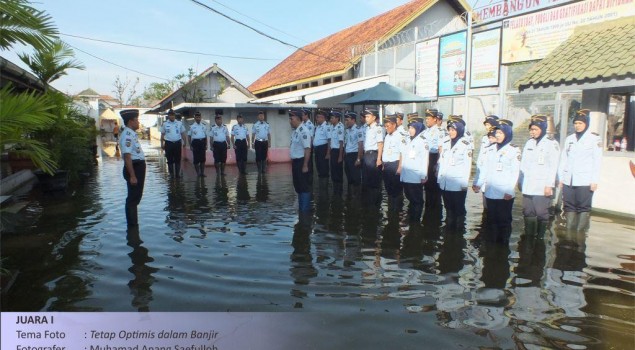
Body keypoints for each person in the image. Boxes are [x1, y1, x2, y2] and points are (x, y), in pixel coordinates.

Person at [473, 119, 520, 244]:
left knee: (503, 221)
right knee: (491, 220)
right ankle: (491, 244)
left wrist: (510, 190)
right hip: (490, 191)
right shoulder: (490, 149)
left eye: (501, 133)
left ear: (507, 133)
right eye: (497, 132)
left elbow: (515, 172)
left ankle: (502, 246)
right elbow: (484, 169)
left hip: (504, 193)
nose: (498, 135)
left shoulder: (513, 150)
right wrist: (478, 184)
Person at [558, 109, 603, 231]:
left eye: (580, 123)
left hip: (585, 180)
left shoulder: (594, 139)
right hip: (569, 180)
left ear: (586, 124)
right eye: (576, 123)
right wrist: (561, 178)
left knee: (583, 208)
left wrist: (594, 181)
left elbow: (597, 161)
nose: (577, 126)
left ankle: (579, 235)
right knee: (569, 207)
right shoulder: (570, 139)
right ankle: (569, 233)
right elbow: (564, 159)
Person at [520, 114, 560, 237]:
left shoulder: (551, 144)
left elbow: (553, 166)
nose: (533, 132)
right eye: (531, 129)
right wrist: (521, 180)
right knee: (528, 212)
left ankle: (540, 238)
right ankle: (529, 236)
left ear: (542, 129)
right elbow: (524, 164)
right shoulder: (529, 143)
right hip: (528, 185)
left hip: (542, 186)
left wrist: (549, 185)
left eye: (536, 129)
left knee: (541, 213)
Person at [438, 116, 472, 229]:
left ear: (459, 130)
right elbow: (442, 162)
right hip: (445, 183)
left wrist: (464, 184)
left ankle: (459, 232)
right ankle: (449, 230)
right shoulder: (446, 142)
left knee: (458, 209)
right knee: (448, 208)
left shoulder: (465, 145)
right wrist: (439, 179)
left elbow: (467, 166)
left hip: (458, 185)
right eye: (449, 130)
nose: (450, 132)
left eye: (453, 130)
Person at [398, 113, 429, 222]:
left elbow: (425, 159)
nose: (410, 130)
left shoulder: (422, 141)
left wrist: (423, 175)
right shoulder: (408, 139)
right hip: (406, 174)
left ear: (418, 128)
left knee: (417, 200)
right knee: (409, 197)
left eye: (412, 128)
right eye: (409, 127)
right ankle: (411, 218)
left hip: (415, 176)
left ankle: (416, 221)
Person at [119, 109, 145, 227]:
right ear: (130, 121)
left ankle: (134, 224)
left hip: (137, 167)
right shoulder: (127, 135)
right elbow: (127, 156)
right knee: (133, 199)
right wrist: (133, 175)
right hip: (134, 167)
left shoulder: (131, 134)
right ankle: (132, 226)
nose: (138, 122)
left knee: (136, 197)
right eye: (137, 120)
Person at [288, 110, 312, 212]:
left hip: (302, 162)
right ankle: (301, 210)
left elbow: (307, 149)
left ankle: (305, 211)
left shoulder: (304, 131)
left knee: (304, 187)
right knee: (298, 186)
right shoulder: (296, 131)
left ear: (298, 119)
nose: (290, 121)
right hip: (296, 162)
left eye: (291, 119)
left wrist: (305, 165)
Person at [382, 114, 406, 212]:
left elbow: (402, 153)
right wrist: (383, 164)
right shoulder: (387, 136)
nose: (386, 128)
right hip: (387, 165)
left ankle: (397, 210)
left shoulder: (400, 136)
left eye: (388, 126)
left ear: (394, 125)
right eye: (385, 126)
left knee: (396, 190)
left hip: (395, 164)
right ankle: (391, 209)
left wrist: (400, 167)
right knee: (389, 189)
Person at [422, 109, 443, 214]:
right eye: (426, 119)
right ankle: (429, 207)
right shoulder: (426, 132)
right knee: (427, 184)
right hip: (426, 158)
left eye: (428, 119)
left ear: (435, 119)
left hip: (434, 158)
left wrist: (438, 164)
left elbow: (441, 149)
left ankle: (435, 210)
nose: (426, 121)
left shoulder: (439, 132)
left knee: (434, 186)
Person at [362, 109, 384, 190]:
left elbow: (380, 144)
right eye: (365, 117)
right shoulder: (367, 128)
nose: (366, 118)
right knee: (366, 179)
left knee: (374, 180)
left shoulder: (377, 128)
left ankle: (375, 201)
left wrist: (379, 159)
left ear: (374, 117)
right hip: (367, 154)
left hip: (373, 155)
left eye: (368, 116)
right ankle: (369, 201)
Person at [160, 109, 187, 178]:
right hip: (168, 143)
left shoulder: (179, 123)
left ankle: (177, 175)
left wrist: (185, 142)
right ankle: (171, 175)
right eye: (170, 115)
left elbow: (183, 133)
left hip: (177, 143)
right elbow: (162, 134)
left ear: (174, 115)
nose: (172, 116)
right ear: (168, 116)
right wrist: (161, 144)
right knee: (169, 160)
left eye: (173, 115)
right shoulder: (165, 124)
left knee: (177, 159)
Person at [343, 111, 363, 192]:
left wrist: (358, 159)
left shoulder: (358, 130)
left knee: (356, 178)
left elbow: (360, 145)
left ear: (353, 120)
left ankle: (357, 198)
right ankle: (351, 197)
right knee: (349, 177)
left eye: (347, 120)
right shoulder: (347, 130)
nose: (346, 122)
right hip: (347, 156)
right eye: (345, 120)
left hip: (354, 155)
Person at [328, 110, 345, 193]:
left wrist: (340, 156)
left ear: (337, 118)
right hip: (333, 151)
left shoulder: (340, 128)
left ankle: (339, 190)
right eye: (330, 118)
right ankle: (335, 189)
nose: (331, 119)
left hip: (338, 151)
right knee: (333, 170)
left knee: (338, 171)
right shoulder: (332, 127)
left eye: (332, 118)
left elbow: (341, 142)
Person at [188, 111, 208, 177]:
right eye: (197, 117)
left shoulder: (204, 126)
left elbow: (206, 136)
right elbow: (189, 136)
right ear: (194, 118)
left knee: (203, 159)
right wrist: (190, 145)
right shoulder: (191, 126)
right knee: (196, 159)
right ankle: (198, 173)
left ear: (201, 117)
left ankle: (202, 173)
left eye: (199, 117)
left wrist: (206, 144)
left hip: (202, 142)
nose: (198, 118)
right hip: (195, 143)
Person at [313, 110, 330, 181]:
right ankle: (321, 187)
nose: (316, 119)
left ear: (323, 118)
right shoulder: (318, 127)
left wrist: (328, 153)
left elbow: (329, 141)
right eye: (316, 117)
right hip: (317, 150)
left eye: (318, 117)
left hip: (323, 149)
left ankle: (324, 188)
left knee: (323, 168)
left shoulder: (327, 127)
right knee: (318, 167)